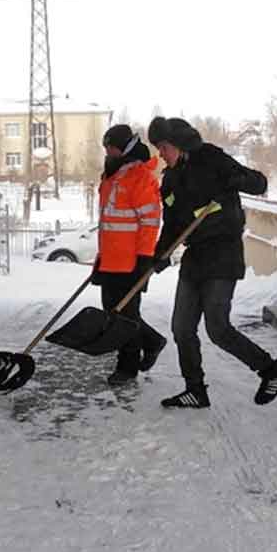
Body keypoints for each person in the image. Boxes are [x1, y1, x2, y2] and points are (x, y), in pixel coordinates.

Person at [147, 117, 277, 409]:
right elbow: (173, 225)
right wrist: (158, 258)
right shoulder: (171, 180)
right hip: (195, 257)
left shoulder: (211, 158)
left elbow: (259, 183)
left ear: (178, 144)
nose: (160, 154)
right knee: (181, 328)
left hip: (223, 254)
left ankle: (271, 370)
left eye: (163, 147)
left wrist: (235, 180)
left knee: (217, 328)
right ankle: (195, 390)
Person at [91, 124, 169, 385]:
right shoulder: (112, 175)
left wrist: (144, 259)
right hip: (111, 260)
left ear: (123, 146)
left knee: (124, 318)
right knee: (114, 314)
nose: (108, 151)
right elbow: (109, 223)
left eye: (111, 146)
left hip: (131, 262)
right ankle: (153, 341)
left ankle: (128, 367)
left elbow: (150, 221)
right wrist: (101, 258)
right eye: (106, 147)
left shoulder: (139, 176)